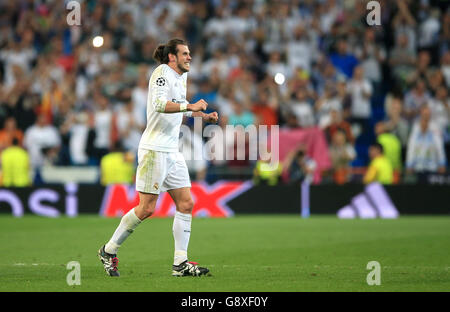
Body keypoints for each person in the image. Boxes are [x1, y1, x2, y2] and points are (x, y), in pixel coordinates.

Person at [98, 39, 218, 277]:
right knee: (146, 208)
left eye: (189, 52)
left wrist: (201, 115)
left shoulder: (181, 77)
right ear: (172, 57)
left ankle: (180, 263)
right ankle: (109, 250)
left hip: (172, 150)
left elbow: (176, 113)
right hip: (154, 149)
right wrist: (190, 106)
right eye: (185, 53)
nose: (189, 57)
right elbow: (160, 105)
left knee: (186, 203)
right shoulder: (161, 73)